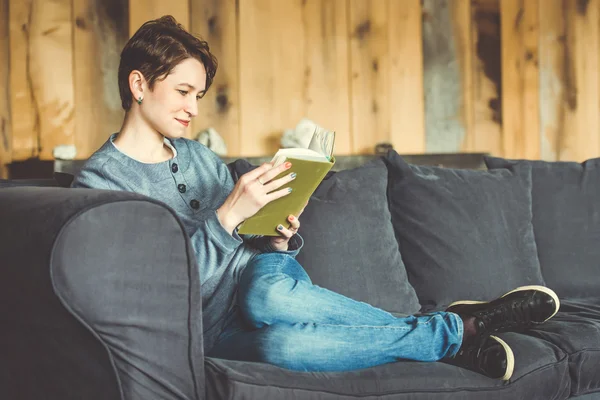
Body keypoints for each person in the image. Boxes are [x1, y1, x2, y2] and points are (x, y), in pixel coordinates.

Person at [71, 15, 559, 382]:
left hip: (260, 282)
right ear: (138, 83)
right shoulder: (101, 185)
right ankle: (449, 335)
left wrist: (278, 236)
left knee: (266, 293)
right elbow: (149, 296)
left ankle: (453, 330)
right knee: (285, 347)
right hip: (205, 330)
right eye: (183, 91)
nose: (192, 109)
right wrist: (224, 220)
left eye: (198, 95)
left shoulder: (199, 157)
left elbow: (252, 247)